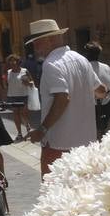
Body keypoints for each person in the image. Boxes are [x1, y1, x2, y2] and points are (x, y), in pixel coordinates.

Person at [24, 19, 105, 176]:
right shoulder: (81, 60)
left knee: (53, 194)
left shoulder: (51, 64)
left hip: (59, 144)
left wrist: (42, 129)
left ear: (50, 39)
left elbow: (62, 98)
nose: (35, 48)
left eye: (37, 42)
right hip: (86, 145)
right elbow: (101, 90)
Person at [82, 41, 110, 136]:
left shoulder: (83, 68)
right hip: (105, 105)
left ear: (86, 54)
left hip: (89, 106)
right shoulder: (106, 67)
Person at [3, 53, 34, 140]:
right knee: (16, 114)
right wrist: (4, 97)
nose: (12, 64)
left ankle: (28, 127)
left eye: (14, 62)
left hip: (24, 95)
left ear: (17, 62)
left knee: (24, 114)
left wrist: (28, 83)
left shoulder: (24, 71)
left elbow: (32, 83)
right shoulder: (8, 72)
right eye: (10, 63)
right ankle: (19, 133)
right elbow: (6, 85)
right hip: (12, 96)